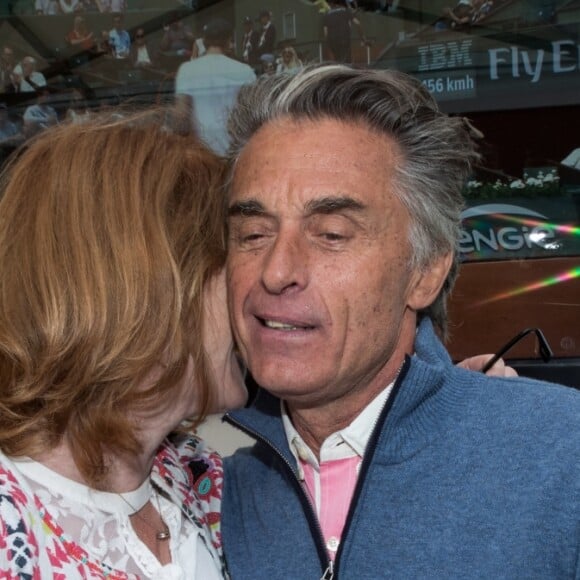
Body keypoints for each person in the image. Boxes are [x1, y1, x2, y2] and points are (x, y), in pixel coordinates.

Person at [220, 64, 580, 578]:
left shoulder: (562, 456)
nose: (276, 272)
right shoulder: (210, 500)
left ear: (426, 270)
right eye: (253, 234)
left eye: (332, 234)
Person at [0, 109, 247, 578]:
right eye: (232, 261)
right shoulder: (11, 529)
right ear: (147, 292)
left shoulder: (199, 478)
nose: (254, 291)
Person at [174, 18, 256, 156]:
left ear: (205, 41)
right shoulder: (244, 71)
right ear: (229, 40)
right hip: (235, 153)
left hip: (201, 155)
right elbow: (253, 115)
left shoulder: (187, 70)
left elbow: (180, 117)